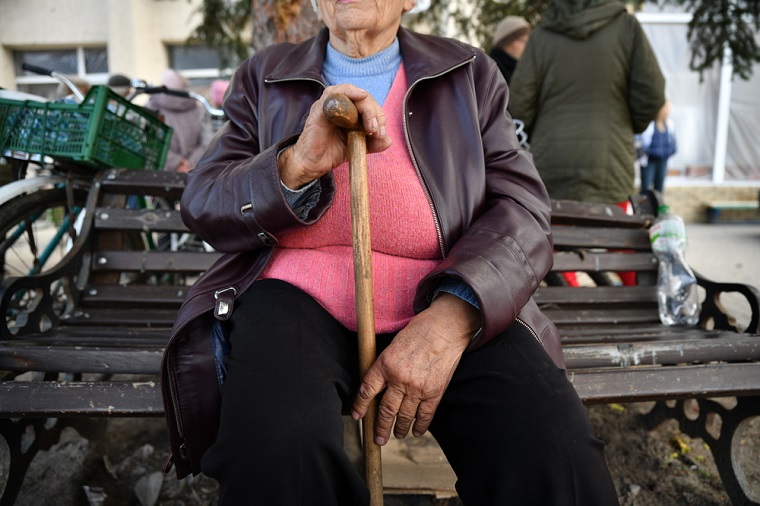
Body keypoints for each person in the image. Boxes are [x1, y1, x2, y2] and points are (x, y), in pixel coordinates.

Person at [161, 1, 620, 504]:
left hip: (448, 293)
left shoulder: (469, 74)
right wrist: (293, 166)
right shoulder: (266, 75)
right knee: (276, 446)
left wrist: (452, 317)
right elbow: (204, 199)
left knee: (552, 448)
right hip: (292, 295)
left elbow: (522, 208)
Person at [509, 0, 665, 206]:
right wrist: (628, 125)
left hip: (550, 163)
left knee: (551, 235)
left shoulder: (542, 34)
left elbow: (519, 104)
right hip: (610, 165)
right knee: (608, 232)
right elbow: (651, 92)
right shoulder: (627, 28)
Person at [146, 69, 206, 173]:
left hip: (159, 175)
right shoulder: (198, 109)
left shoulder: (150, 108)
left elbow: (147, 141)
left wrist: (176, 162)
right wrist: (189, 164)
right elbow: (207, 142)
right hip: (195, 173)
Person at [639, 100, 677, 193]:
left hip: (663, 161)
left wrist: (665, 153)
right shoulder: (650, 125)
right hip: (649, 161)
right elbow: (642, 144)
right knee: (646, 188)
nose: (669, 110)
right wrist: (653, 152)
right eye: (666, 108)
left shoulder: (670, 124)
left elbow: (673, 144)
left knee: (659, 189)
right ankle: (644, 207)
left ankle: (658, 207)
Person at [488, 15, 531, 85]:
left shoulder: (519, 72)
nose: (527, 47)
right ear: (506, 42)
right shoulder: (490, 73)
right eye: (522, 41)